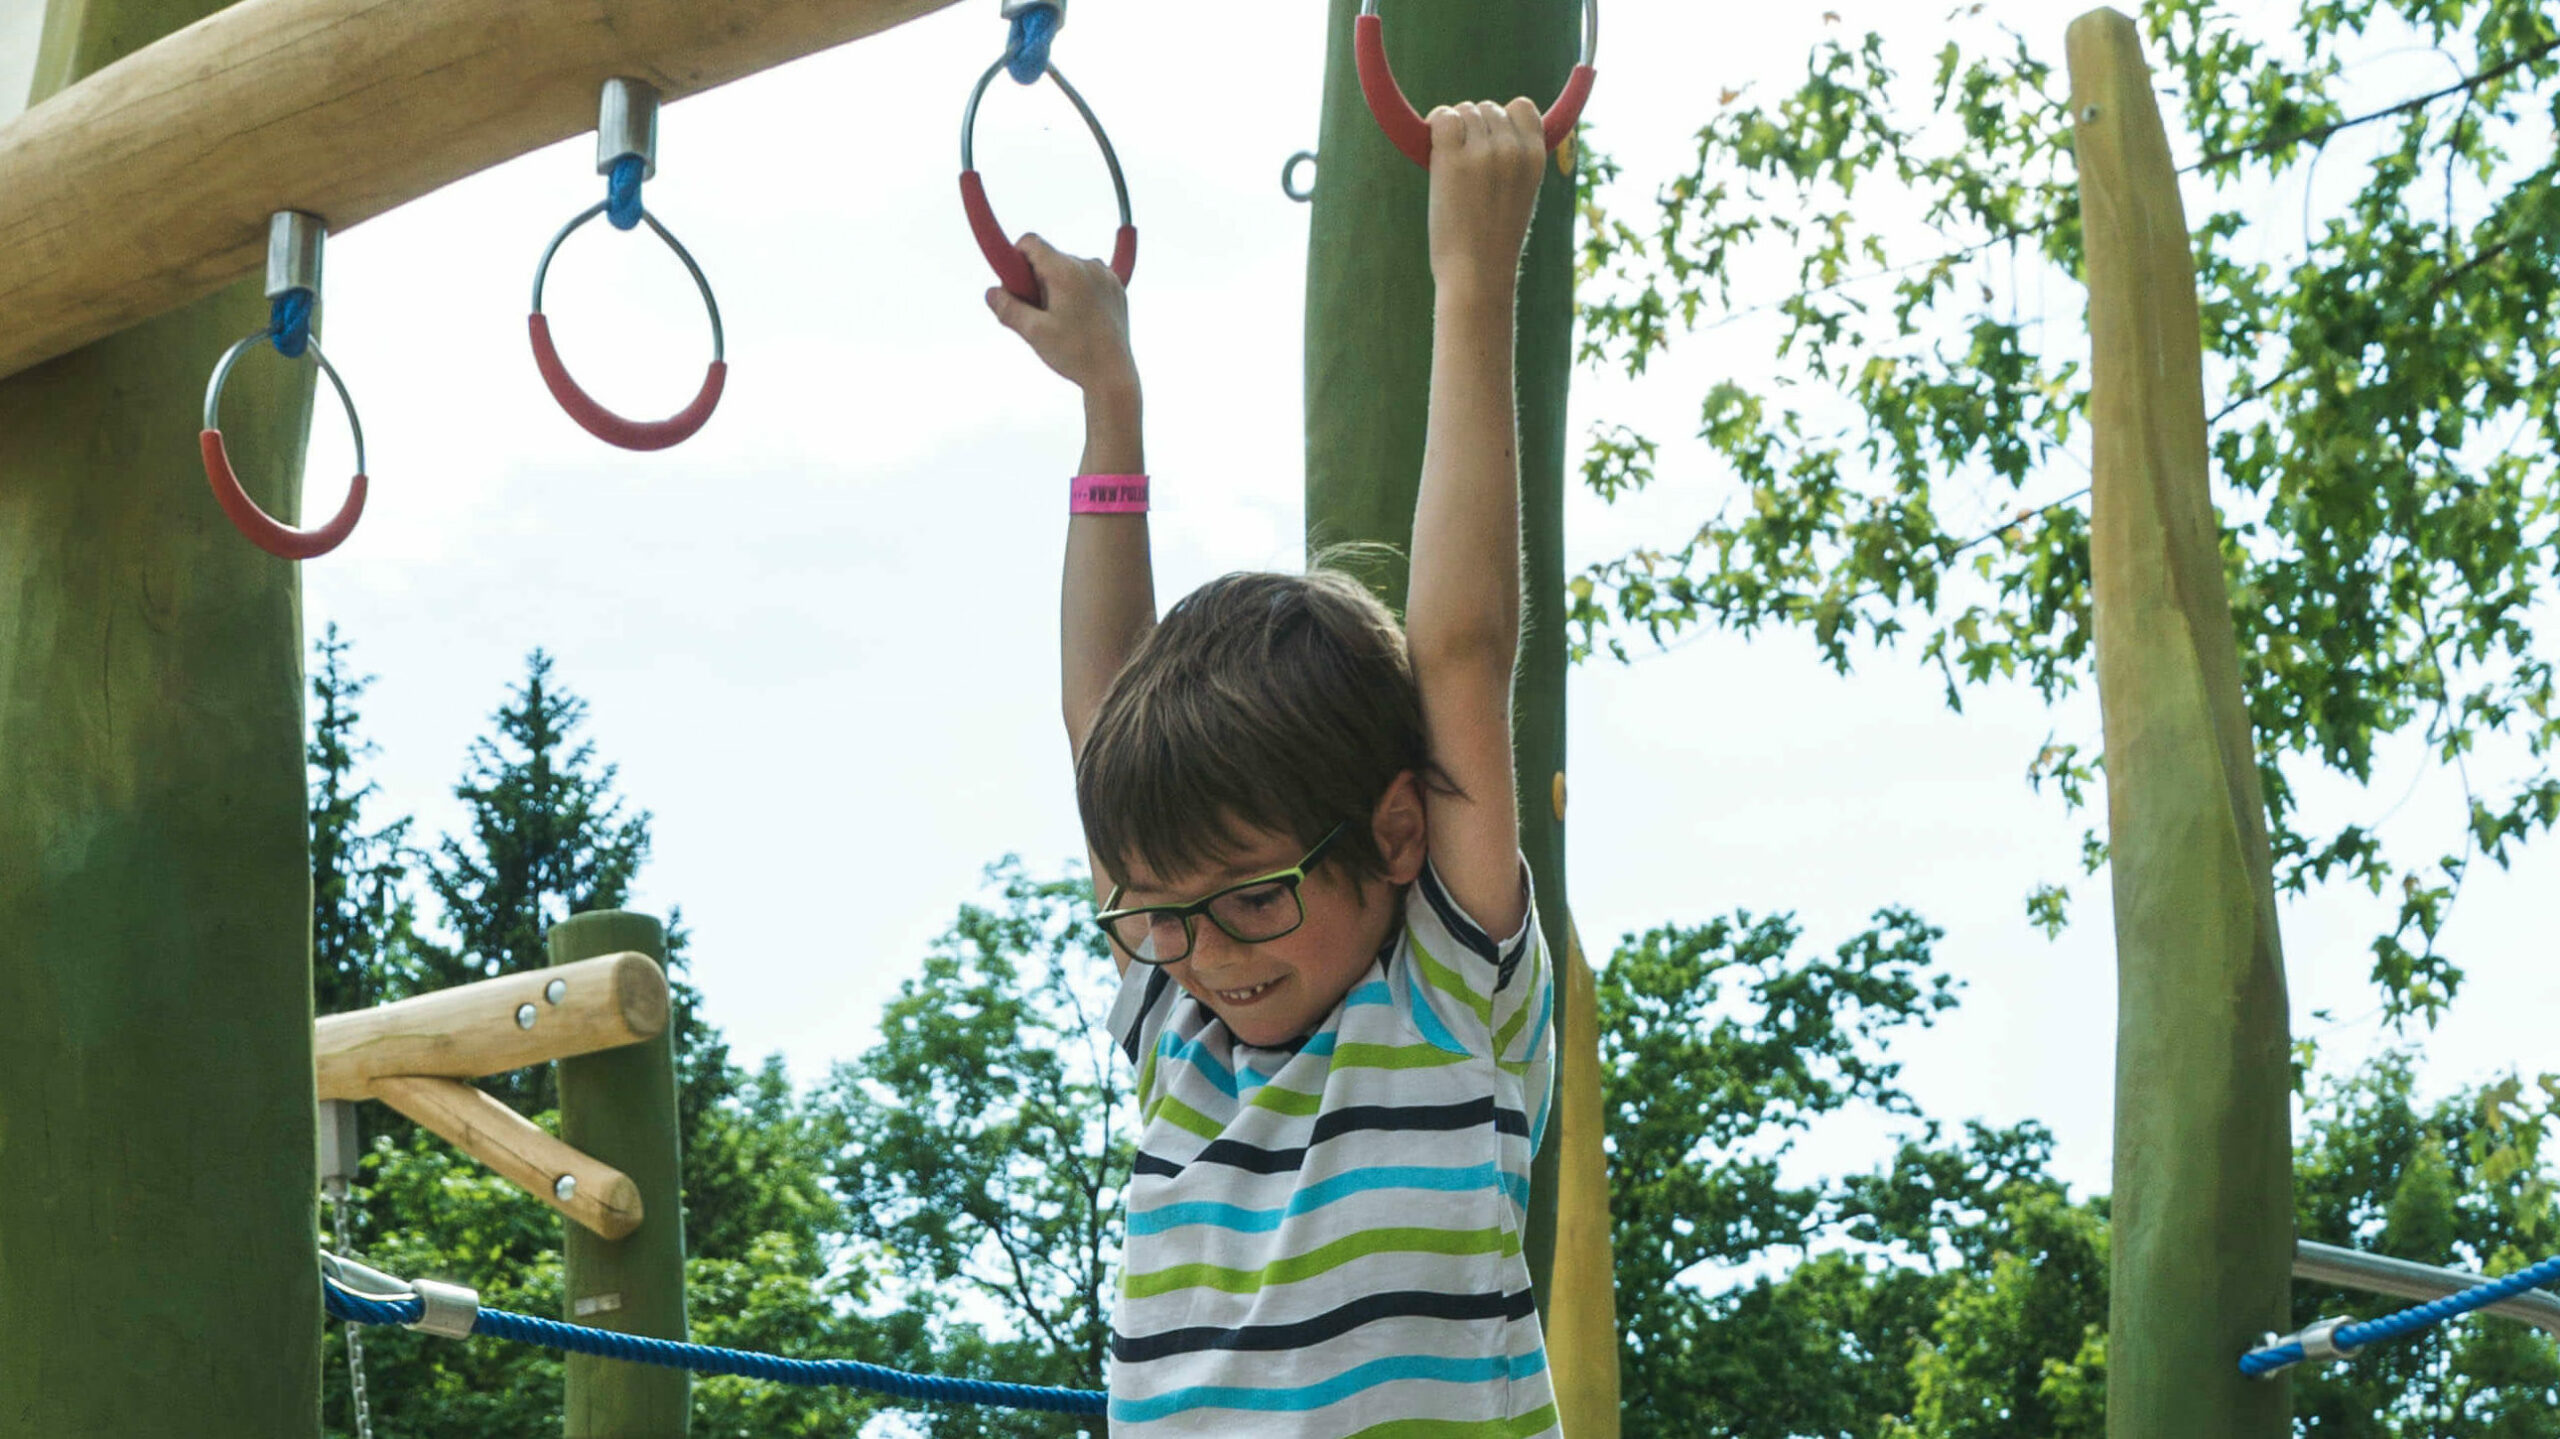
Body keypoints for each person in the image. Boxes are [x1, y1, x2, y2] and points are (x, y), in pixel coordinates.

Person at [987, 96, 1559, 1437]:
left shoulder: (1441, 1002)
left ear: (1400, 833)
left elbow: (1463, 650)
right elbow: (1101, 718)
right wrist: (1109, 403)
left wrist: (1474, 283)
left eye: (1251, 899)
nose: (1207, 949)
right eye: (1162, 913)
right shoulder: (1178, 1024)